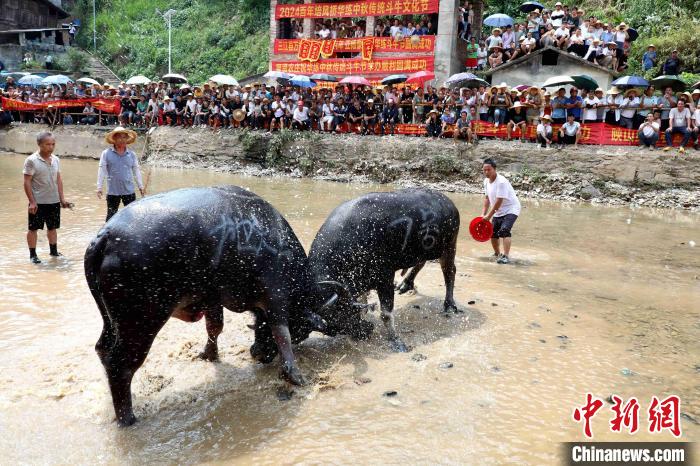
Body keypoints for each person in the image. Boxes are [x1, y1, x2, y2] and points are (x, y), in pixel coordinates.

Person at [23, 132, 71, 264]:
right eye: (47, 144)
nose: (51, 147)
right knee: (33, 229)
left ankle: (53, 251)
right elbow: (27, 182)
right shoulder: (31, 160)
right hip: (38, 202)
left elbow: (59, 180)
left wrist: (62, 199)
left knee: (53, 227)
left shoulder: (56, 159)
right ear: (39, 144)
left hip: (53, 200)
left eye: (53, 144)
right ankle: (33, 255)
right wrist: (32, 202)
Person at [96, 127, 145, 222]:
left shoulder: (131, 154)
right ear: (114, 139)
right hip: (113, 191)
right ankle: (109, 236)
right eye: (119, 137)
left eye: (124, 137)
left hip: (129, 190)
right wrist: (99, 187)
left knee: (132, 217)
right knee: (111, 217)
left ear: (127, 139)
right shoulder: (106, 153)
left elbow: (136, 171)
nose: (122, 140)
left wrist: (140, 186)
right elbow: (101, 170)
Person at [481, 158, 521, 265]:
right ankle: (497, 253)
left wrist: (489, 216)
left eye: (488, 170)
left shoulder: (501, 182)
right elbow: (487, 198)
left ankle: (506, 256)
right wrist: (483, 213)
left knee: (504, 231)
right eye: (484, 170)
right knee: (493, 233)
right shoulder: (486, 181)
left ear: (494, 169)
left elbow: (499, 201)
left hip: (511, 208)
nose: (486, 172)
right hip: (499, 210)